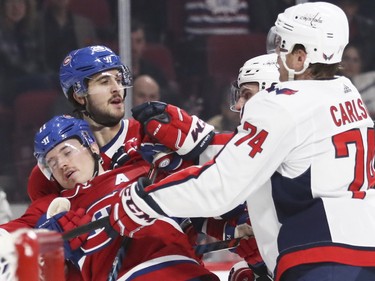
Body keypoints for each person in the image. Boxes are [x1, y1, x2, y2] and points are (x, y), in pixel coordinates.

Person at [106, 2, 375, 281]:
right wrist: (202, 144)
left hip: (323, 258)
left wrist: (145, 201)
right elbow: (289, 154)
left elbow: (223, 185)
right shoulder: (347, 93)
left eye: (284, 46)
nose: (277, 55)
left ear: (300, 58)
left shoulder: (279, 104)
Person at [1, 115, 220, 281]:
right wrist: (44, 243)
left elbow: (219, 178)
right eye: (52, 163)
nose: (62, 165)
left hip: (187, 270)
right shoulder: (53, 207)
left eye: (67, 152)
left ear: (92, 146)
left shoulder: (142, 170)